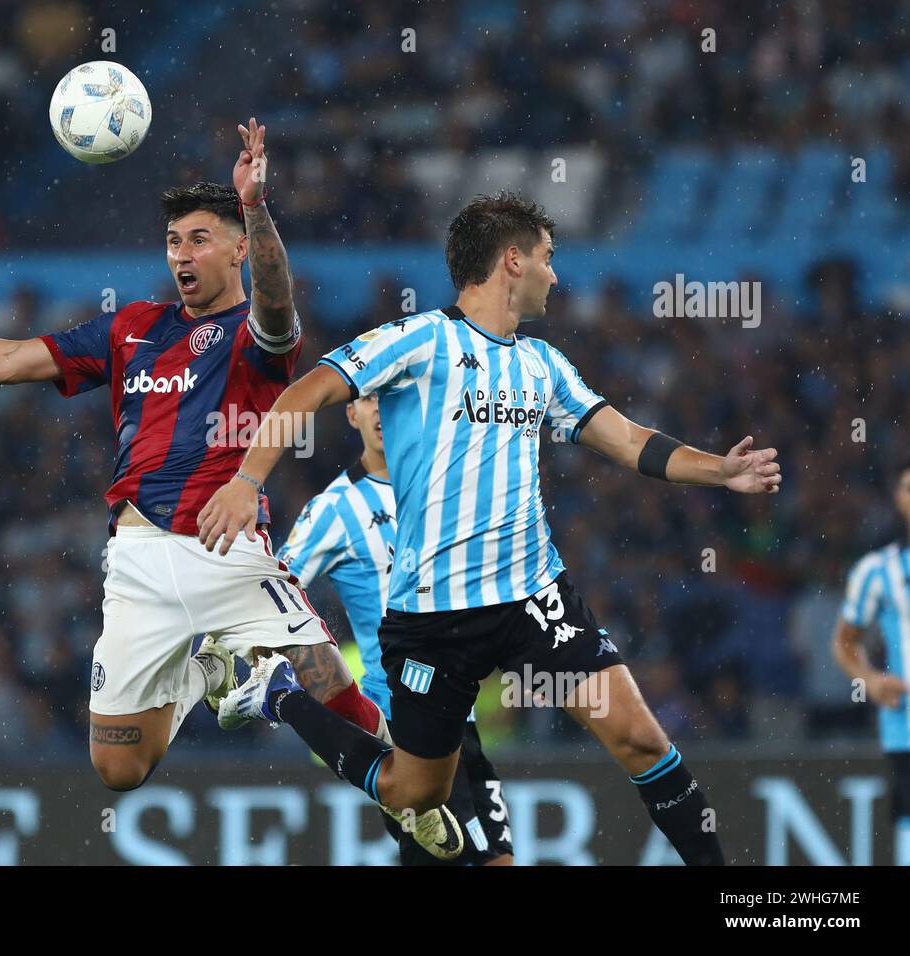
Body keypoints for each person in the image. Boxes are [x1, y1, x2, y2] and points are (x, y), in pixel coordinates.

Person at [0, 119, 463, 858]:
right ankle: (217, 674)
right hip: (134, 564)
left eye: (199, 238)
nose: (182, 254)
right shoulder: (131, 328)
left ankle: (377, 774)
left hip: (226, 551)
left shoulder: (256, 337)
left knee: (341, 699)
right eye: (173, 241)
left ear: (234, 248)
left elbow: (280, 304)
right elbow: (10, 358)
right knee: (119, 767)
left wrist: (255, 208)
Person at [199, 191, 785, 866]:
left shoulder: (543, 364)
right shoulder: (418, 340)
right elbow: (307, 391)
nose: (555, 276)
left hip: (534, 595)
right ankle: (281, 697)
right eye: (547, 258)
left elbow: (627, 441)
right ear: (513, 260)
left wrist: (721, 472)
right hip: (431, 616)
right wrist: (246, 482)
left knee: (641, 739)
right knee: (415, 796)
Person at [278, 390, 513, 865]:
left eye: (396, 399)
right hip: (402, 728)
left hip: (459, 718)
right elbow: (274, 585)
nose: (384, 413)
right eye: (371, 400)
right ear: (352, 413)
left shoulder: (449, 490)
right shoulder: (336, 509)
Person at [832, 459, 910, 865]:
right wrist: (871, 680)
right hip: (906, 728)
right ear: (899, 499)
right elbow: (845, 642)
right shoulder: (877, 571)